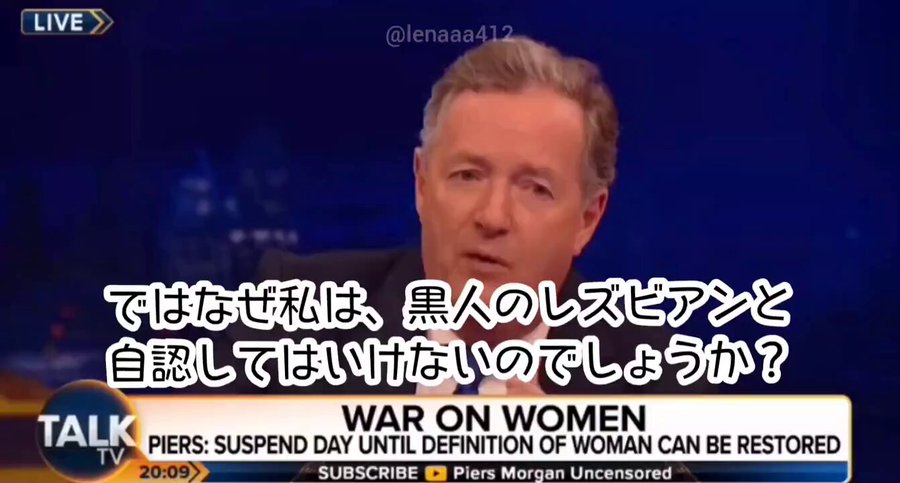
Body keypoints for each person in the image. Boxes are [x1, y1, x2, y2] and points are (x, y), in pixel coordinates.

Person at [214, 36, 710, 397]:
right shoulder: (289, 324)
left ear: (587, 219)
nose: (492, 217)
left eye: (535, 189)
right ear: (422, 185)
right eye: (468, 176)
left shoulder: (663, 388)